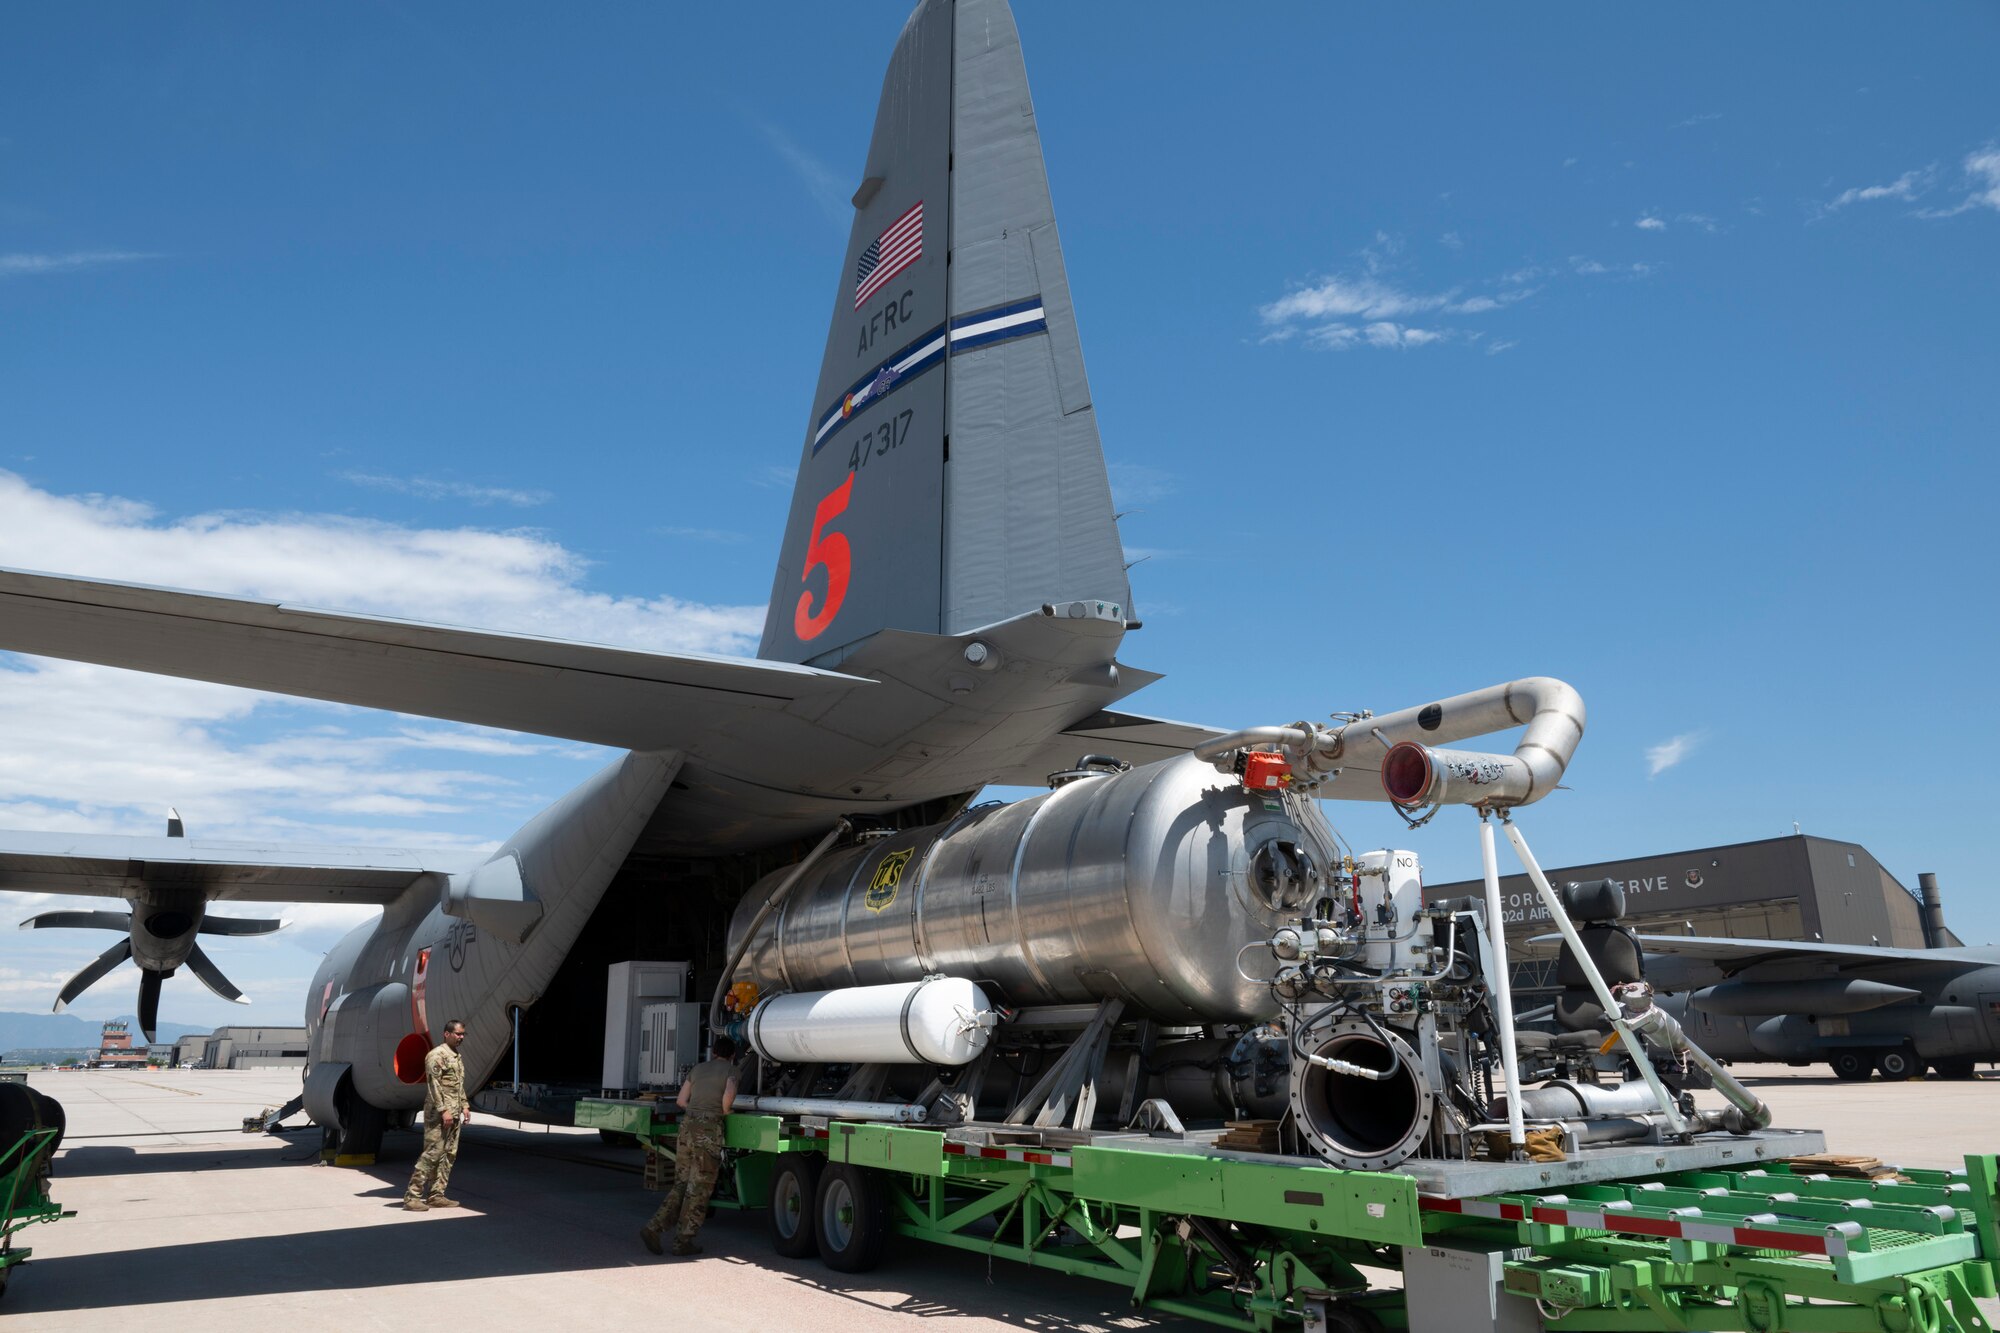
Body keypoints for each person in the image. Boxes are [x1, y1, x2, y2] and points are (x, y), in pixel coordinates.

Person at [639, 1035, 739, 1256]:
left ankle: (653, 1228)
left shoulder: (698, 1069)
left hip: (686, 1127)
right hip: (709, 1130)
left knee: (682, 1183)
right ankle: (683, 1241)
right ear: (732, 1055)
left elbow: (681, 1101)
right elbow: (727, 1098)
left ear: (714, 1053)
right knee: (699, 1188)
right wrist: (726, 1112)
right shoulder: (732, 1071)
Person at [403, 1019, 469, 1211]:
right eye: (458, 1034)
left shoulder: (456, 1056)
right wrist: (443, 1110)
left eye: (463, 1034)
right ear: (446, 1034)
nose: (461, 1037)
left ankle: (436, 1195)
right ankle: (412, 1196)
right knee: (432, 1154)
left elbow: (458, 1085)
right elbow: (434, 1085)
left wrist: (464, 1105)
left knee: (449, 1154)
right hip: (439, 1114)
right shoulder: (436, 1055)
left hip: (454, 1112)